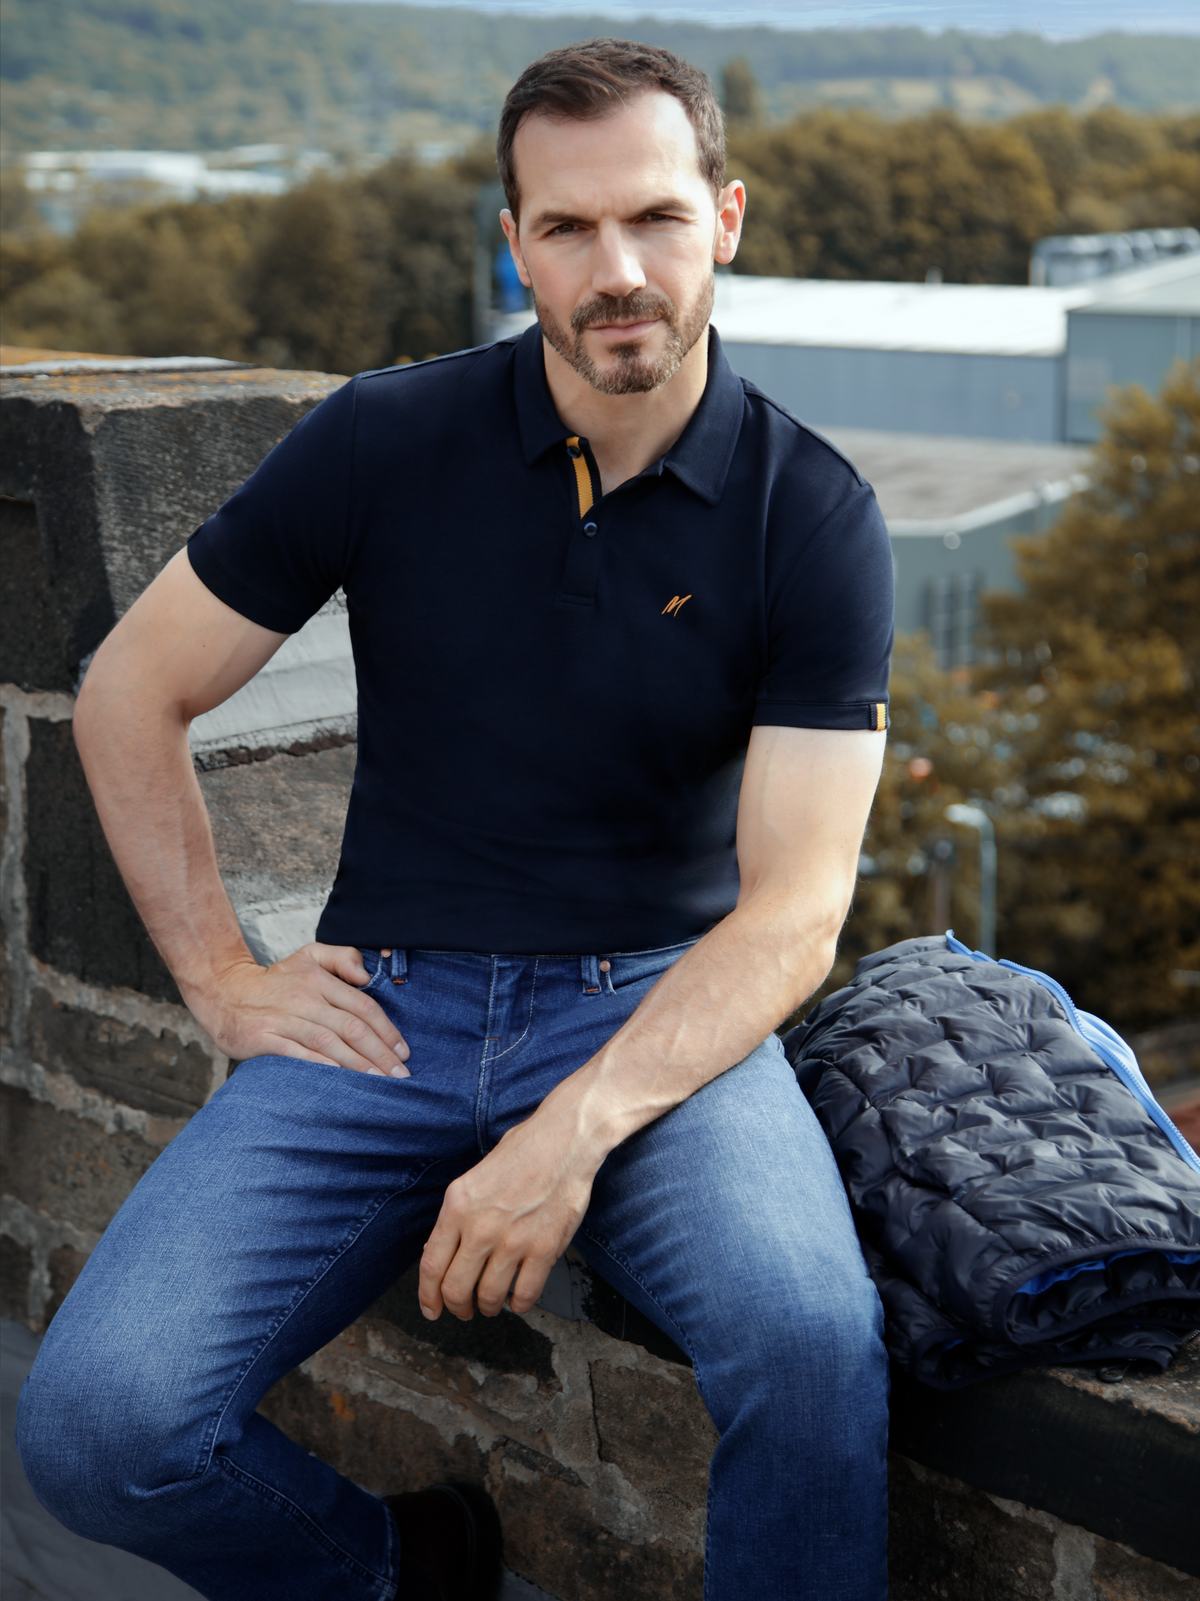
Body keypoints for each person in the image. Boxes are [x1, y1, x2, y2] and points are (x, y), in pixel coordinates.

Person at [17, 38, 894, 1601]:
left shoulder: (810, 513)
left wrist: (574, 1133)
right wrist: (222, 978)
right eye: (565, 228)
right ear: (515, 245)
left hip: (659, 1017)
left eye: (655, 219)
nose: (616, 270)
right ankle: (395, 1572)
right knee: (95, 1432)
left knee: (814, 1344)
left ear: (729, 219)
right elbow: (126, 694)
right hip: (387, 1013)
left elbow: (794, 913)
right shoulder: (384, 438)